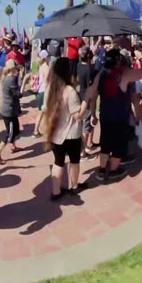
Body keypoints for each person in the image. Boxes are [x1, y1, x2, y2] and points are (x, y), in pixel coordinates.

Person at [85, 46, 142, 182]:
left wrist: (92, 113)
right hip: (120, 116)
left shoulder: (100, 75)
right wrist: (140, 57)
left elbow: (93, 94)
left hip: (105, 115)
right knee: (119, 145)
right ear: (118, 61)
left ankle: (102, 171)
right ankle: (114, 170)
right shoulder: (124, 74)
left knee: (105, 143)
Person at [37, 57, 88, 200]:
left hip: (55, 133)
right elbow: (77, 115)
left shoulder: (49, 89)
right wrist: (85, 100)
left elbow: (45, 109)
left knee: (58, 162)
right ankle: (74, 186)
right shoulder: (69, 91)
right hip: (71, 134)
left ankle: (56, 192)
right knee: (74, 161)